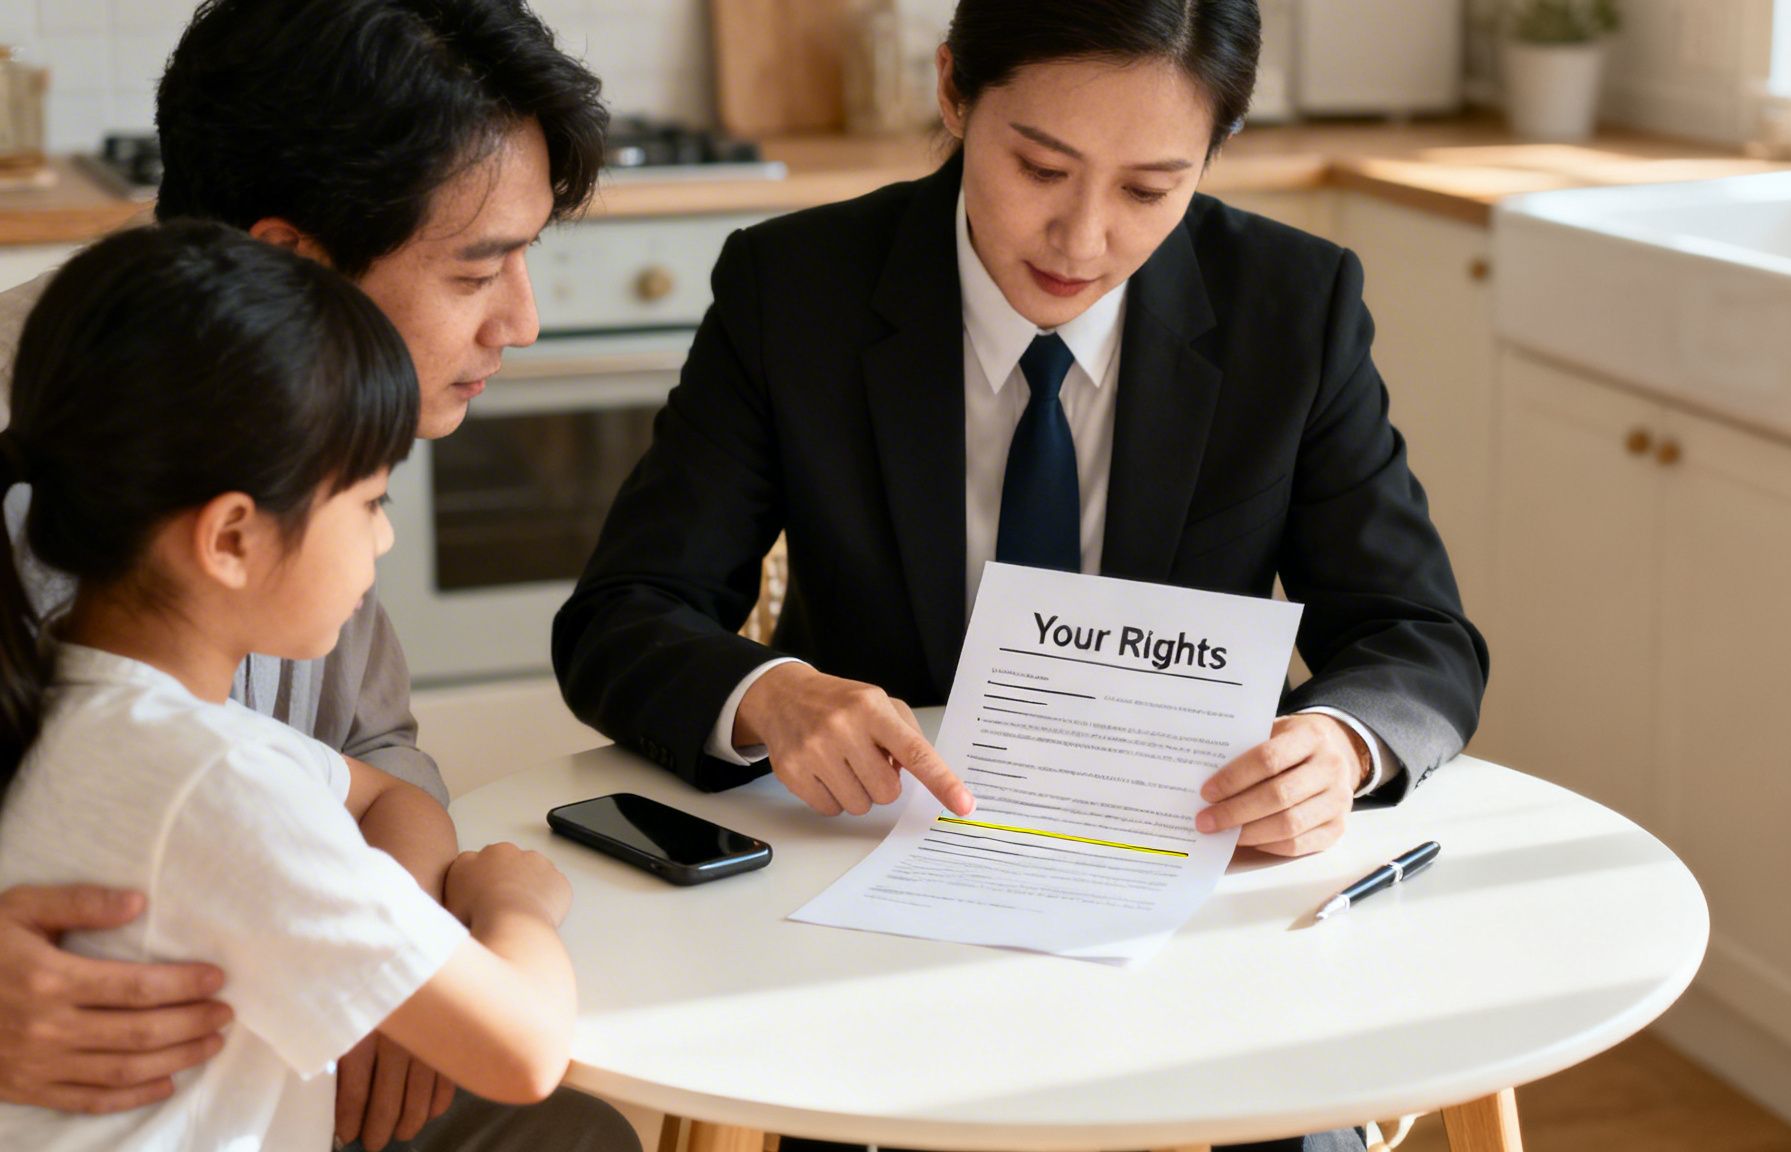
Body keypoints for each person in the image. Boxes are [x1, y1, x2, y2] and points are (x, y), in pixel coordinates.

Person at [556, 0, 1485, 856]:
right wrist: (770, 695)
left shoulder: (1291, 310)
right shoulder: (794, 291)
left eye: (1148, 191)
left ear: (1216, 148)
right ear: (953, 90)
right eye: (1041, 168)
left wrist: (1343, 746)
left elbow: (1416, 635)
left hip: (1179, 860)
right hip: (861, 845)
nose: (1081, 241)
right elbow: (621, 617)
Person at [0, 3, 633, 1150]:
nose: (523, 323)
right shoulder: (133, 456)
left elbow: (382, 755)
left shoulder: (286, 440)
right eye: (478, 270)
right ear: (288, 263)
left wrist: (385, 951)